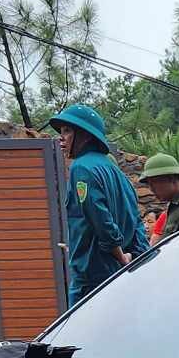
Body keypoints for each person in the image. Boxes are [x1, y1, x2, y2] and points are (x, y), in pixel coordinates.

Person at [46, 103, 147, 302]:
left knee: (80, 331)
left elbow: (99, 219)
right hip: (117, 274)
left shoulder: (81, 168)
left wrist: (120, 255)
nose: (61, 137)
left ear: (84, 135)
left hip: (91, 276)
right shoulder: (115, 171)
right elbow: (135, 219)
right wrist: (137, 258)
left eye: (67, 131)